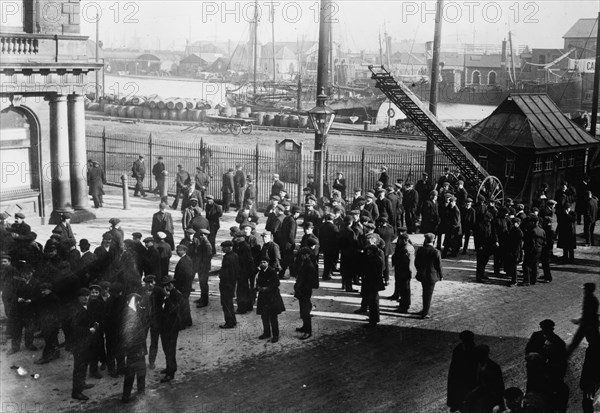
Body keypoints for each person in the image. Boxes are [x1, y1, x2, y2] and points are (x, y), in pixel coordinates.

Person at [71, 288, 98, 401]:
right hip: (78, 344)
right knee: (79, 368)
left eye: (87, 295)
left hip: (86, 343)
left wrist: (94, 324)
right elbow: (74, 328)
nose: (86, 298)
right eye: (83, 296)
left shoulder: (86, 306)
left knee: (84, 365)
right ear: (78, 297)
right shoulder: (76, 310)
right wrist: (89, 330)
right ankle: (76, 392)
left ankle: (81, 384)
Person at [120, 293, 148, 403]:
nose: (138, 303)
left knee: (137, 373)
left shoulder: (132, 312)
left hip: (137, 349)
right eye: (136, 301)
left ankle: (129, 395)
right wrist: (136, 350)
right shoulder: (129, 314)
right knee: (134, 373)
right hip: (135, 350)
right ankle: (131, 395)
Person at [156, 275, 184, 383]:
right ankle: (171, 367)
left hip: (171, 328)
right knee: (167, 349)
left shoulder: (175, 295)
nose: (168, 286)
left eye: (169, 284)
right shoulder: (168, 295)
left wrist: (167, 297)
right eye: (166, 285)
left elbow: (173, 310)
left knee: (169, 349)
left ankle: (170, 373)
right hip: (166, 327)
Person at [464, 345, 505, 413]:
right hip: (481, 394)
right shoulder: (477, 365)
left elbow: (499, 387)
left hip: (491, 396)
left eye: (479, 355)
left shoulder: (494, 368)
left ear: (484, 355)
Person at [256, 258, 285, 343]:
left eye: (264, 262)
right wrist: (258, 287)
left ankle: (275, 335)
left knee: (273, 317)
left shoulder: (272, 271)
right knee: (264, 316)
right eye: (261, 262)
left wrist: (267, 288)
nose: (262, 264)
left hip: (272, 297)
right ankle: (266, 332)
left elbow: (277, 283)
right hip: (263, 297)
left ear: (268, 263)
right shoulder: (260, 271)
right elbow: (258, 281)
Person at [447, 330, 477, 412]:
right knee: (459, 392)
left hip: (470, 376)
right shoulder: (458, 350)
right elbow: (454, 365)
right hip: (460, 375)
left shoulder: (474, 349)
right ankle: (457, 404)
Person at [415, 233, 443, 319]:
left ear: (425, 240)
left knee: (425, 293)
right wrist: (441, 275)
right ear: (433, 240)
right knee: (428, 294)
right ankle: (425, 313)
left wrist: (420, 270)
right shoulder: (436, 251)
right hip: (432, 276)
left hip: (422, 275)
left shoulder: (420, 250)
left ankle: (424, 309)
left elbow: (416, 263)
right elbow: (439, 265)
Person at [294, 247, 319, 340]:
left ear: (308, 255)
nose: (302, 256)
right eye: (302, 255)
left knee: (305, 312)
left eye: (304, 255)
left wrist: (301, 288)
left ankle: (308, 331)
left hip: (305, 291)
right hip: (302, 290)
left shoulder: (309, 265)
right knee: (303, 310)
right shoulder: (306, 263)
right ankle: (305, 327)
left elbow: (309, 281)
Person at [361, 236, 386, 327]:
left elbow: (370, 271)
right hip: (375, 282)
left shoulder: (373, 260)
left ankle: (373, 320)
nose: (367, 252)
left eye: (369, 251)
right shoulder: (376, 259)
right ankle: (375, 318)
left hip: (372, 282)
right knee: (374, 301)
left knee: (373, 302)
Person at [390, 233, 416, 313]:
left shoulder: (405, 249)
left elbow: (403, 262)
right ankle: (406, 304)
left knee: (404, 290)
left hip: (404, 272)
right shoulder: (410, 247)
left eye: (400, 240)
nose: (398, 242)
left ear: (405, 240)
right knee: (406, 289)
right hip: (409, 271)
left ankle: (403, 307)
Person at [173, 245, 194, 328]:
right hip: (185, 286)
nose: (178, 252)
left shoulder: (185, 261)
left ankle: (182, 323)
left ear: (185, 250)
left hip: (183, 287)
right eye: (177, 250)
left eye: (180, 250)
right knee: (184, 304)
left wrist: (180, 286)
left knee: (182, 304)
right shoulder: (185, 259)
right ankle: (187, 321)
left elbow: (188, 275)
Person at [219, 241, 238, 329]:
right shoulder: (234, 256)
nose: (222, 249)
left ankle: (229, 322)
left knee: (226, 304)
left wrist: (221, 276)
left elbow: (227, 272)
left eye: (224, 247)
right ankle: (233, 320)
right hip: (231, 283)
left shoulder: (228, 258)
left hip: (226, 284)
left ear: (229, 247)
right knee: (229, 303)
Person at [277, 205, 300, 279]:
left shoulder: (287, 218)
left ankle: (291, 274)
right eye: (298, 213)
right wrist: (294, 244)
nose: (299, 214)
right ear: (296, 213)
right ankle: (289, 274)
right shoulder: (292, 221)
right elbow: (291, 235)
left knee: (287, 260)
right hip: (288, 244)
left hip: (283, 243)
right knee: (288, 260)